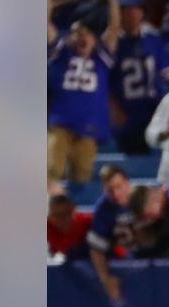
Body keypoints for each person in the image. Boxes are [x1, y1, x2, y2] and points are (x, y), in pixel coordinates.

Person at [47, 0, 120, 186]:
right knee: (51, 170)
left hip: (88, 129)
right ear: (70, 37)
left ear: (95, 39)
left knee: (82, 178)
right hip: (60, 125)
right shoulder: (62, 52)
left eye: (87, 33)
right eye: (77, 33)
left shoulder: (102, 58)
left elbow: (114, 26)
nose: (82, 36)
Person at [110, 0, 169, 155]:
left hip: (152, 109)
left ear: (142, 13)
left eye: (135, 10)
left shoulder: (153, 41)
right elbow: (103, 80)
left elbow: (168, 76)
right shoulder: (112, 44)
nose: (131, 15)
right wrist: (112, 107)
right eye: (126, 11)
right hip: (126, 111)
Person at [86, 164, 149, 305]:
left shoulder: (143, 196)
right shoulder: (104, 208)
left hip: (155, 261)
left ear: (127, 181)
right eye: (110, 190)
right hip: (128, 265)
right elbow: (97, 248)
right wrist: (105, 278)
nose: (116, 194)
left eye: (119, 187)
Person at [47, 194, 93, 261]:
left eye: (66, 213)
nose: (61, 218)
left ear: (74, 211)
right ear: (49, 216)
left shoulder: (89, 222)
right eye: (56, 215)